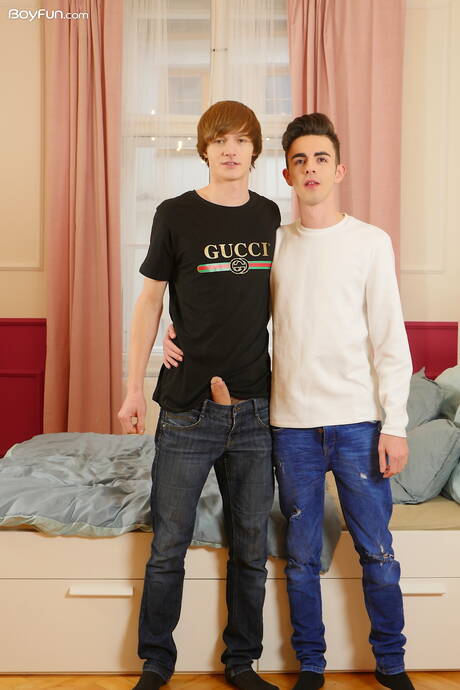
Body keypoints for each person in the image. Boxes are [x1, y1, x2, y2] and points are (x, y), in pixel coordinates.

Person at [164, 113, 415, 690]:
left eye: (321, 159)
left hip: (358, 424)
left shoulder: (370, 243)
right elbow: (224, 302)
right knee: (301, 558)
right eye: (299, 160)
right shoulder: (273, 244)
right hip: (291, 427)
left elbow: (391, 342)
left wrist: (396, 424)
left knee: (377, 552)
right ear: (286, 174)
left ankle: (392, 664)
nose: (310, 169)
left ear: (339, 170)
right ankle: (312, 666)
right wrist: (177, 330)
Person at [118, 100, 281, 690]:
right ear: (205, 149)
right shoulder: (175, 214)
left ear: (254, 151)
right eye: (219, 140)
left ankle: (242, 661)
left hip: (255, 409)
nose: (230, 150)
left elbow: (285, 302)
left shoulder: (269, 217)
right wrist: (133, 387)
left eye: (240, 140)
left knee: (251, 547)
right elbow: (149, 301)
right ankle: (156, 662)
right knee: (168, 546)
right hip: (187, 409)